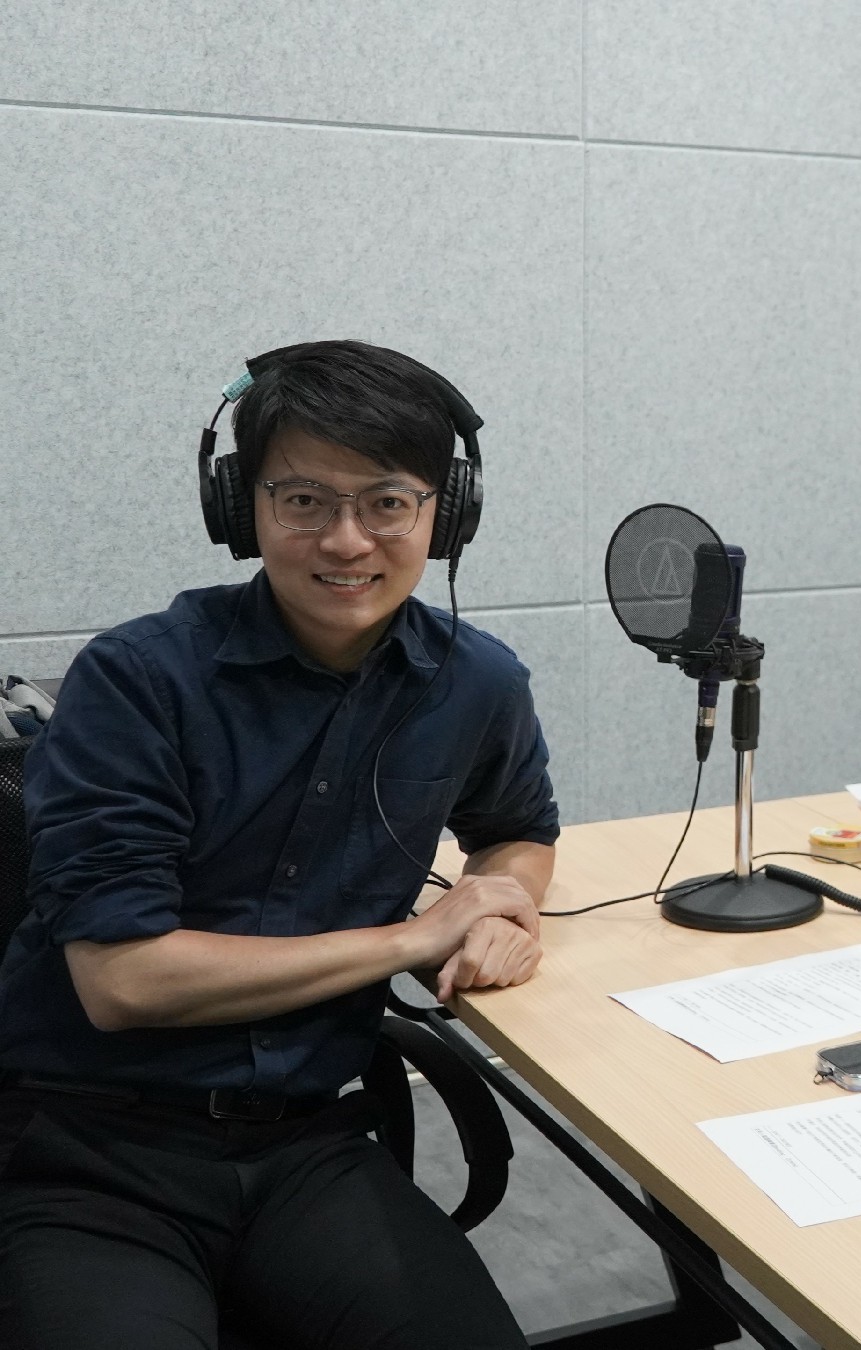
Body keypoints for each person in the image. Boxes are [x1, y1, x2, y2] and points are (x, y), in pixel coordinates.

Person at [0, 341, 557, 1347]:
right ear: (239, 509)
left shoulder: (475, 681)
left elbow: (517, 828)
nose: (346, 540)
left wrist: (503, 909)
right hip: (90, 1154)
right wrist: (414, 938)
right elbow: (124, 980)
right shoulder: (138, 681)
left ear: (445, 513)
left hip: (310, 1141)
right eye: (303, 501)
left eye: (387, 503)